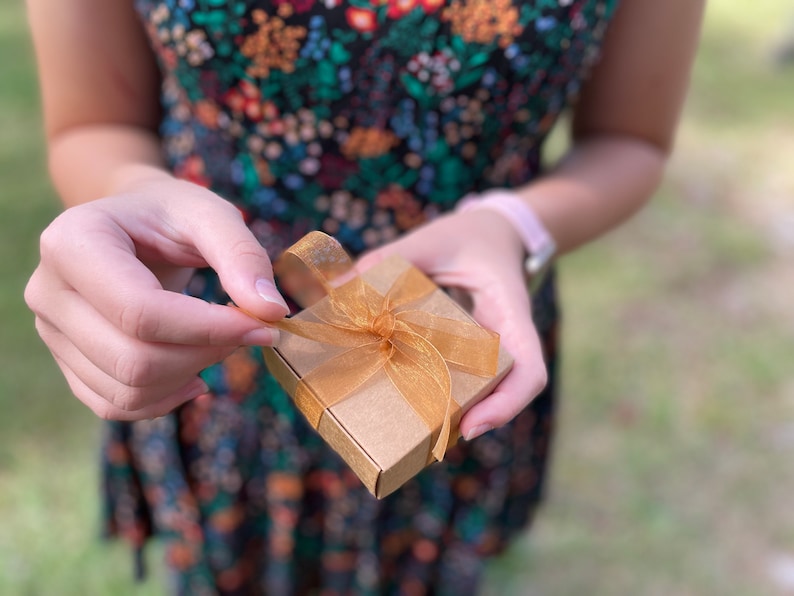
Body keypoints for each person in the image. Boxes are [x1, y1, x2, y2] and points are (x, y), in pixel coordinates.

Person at [24, 0, 704, 593]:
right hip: (223, 343)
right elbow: (92, 121)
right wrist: (132, 200)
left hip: (451, 342)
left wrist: (512, 224)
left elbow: (630, 139)